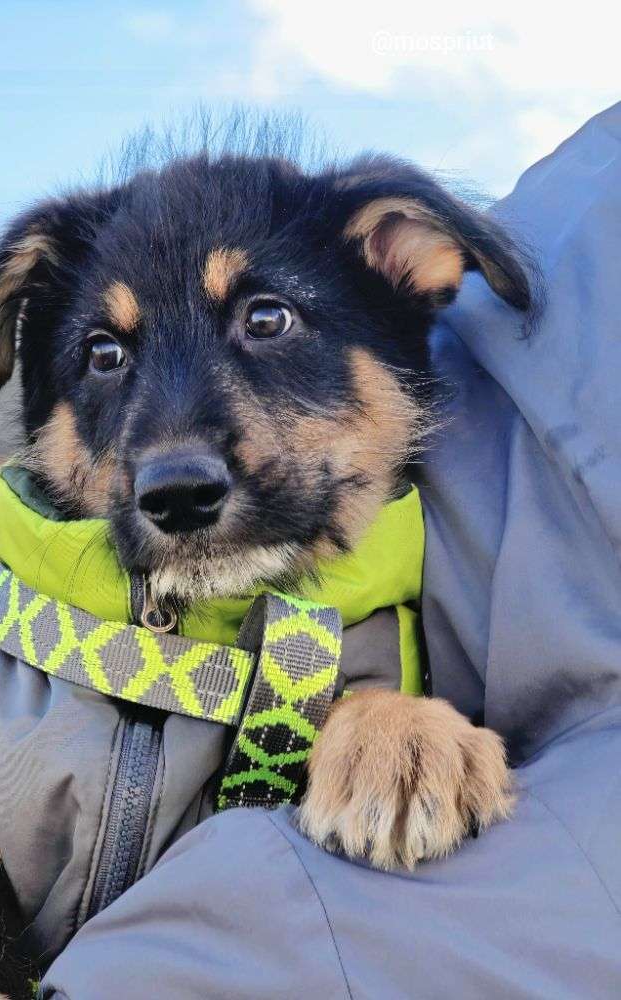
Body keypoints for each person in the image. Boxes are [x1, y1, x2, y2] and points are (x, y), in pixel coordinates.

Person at [41, 104, 621, 999]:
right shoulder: (21, 670)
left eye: (266, 322)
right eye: (106, 355)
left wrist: (383, 713)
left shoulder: (434, 616)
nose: (173, 461)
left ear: (401, 256)